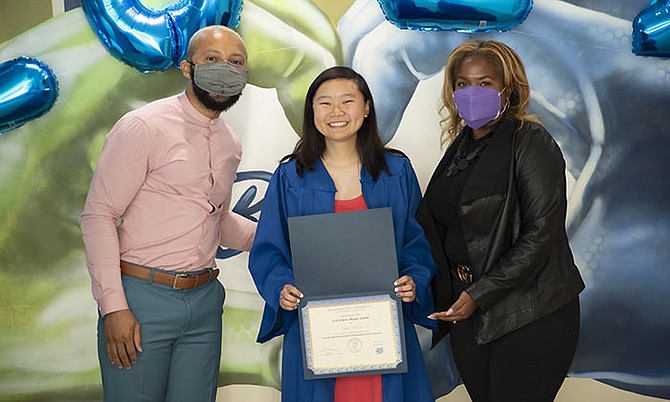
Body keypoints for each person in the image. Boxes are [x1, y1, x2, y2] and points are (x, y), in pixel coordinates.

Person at [80, 26, 256, 402]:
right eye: (212, 59)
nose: (225, 69)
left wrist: (279, 238)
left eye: (235, 62)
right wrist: (114, 307)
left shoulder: (230, 143)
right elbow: (99, 215)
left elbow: (218, 220)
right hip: (142, 301)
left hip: (205, 301)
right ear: (187, 68)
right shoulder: (144, 126)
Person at [248, 66, 437, 402]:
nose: (336, 112)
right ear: (312, 112)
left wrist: (413, 280)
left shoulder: (397, 172)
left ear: (366, 108)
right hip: (315, 332)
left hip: (383, 327)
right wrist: (281, 289)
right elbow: (269, 251)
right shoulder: (290, 177)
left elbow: (416, 244)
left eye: (347, 101)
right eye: (325, 103)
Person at [417, 40, 586, 402]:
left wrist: (479, 294)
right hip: (469, 310)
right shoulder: (460, 147)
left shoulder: (530, 141)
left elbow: (541, 234)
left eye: (485, 83)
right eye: (462, 84)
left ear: (507, 89)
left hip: (529, 310)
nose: (471, 92)